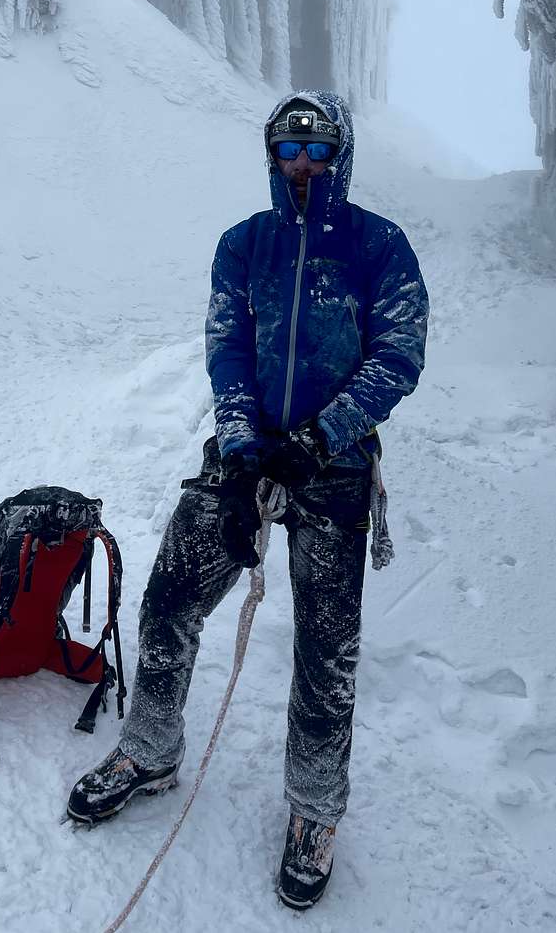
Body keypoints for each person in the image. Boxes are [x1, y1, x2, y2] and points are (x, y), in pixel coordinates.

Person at [67, 89, 429, 910]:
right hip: (246, 452)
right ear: (271, 152)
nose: (302, 162)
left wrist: (321, 437)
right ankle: (150, 749)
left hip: (332, 469)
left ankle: (313, 810)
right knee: (168, 600)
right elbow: (227, 343)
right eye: (288, 145)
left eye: (318, 145)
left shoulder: (381, 247)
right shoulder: (243, 244)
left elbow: (398, 353)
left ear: (341, 152)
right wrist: (241, 447)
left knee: (325, 648)